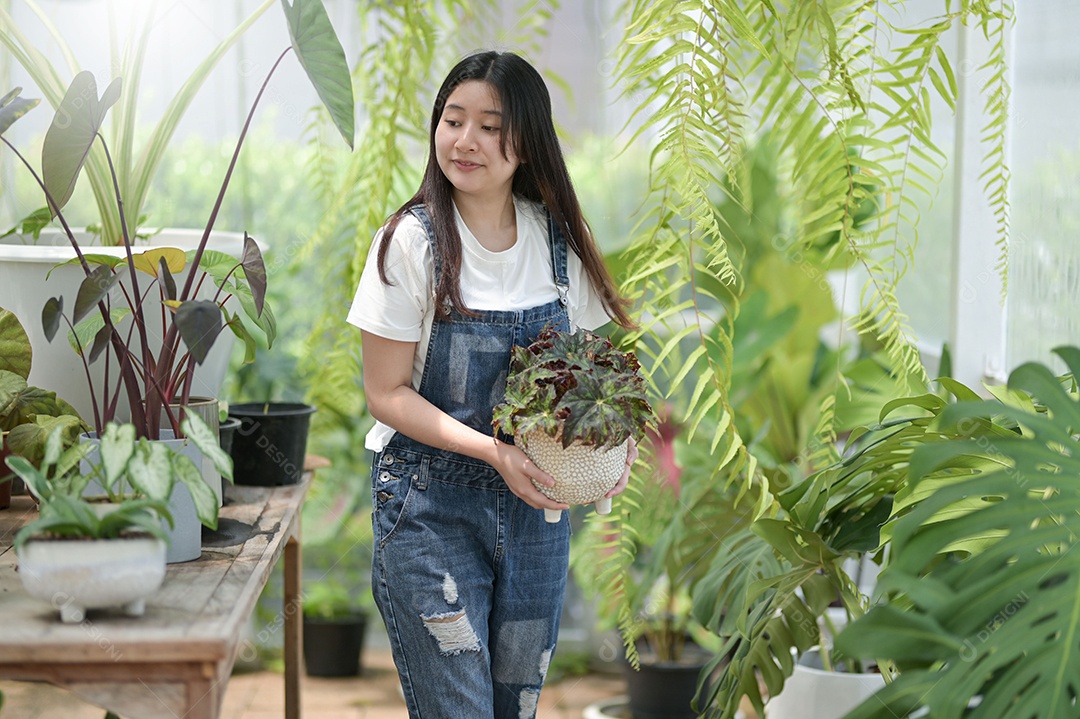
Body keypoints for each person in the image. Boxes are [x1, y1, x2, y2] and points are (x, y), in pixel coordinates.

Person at [347, 50, 638, 719]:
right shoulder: (410, 244)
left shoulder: (559, 245)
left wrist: (610, 449)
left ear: (527, 143)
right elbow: (385, 393)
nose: (464, 140)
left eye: (488, 124)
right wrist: (492, 451)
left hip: (536, 515)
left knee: (517, 707)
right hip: (428, 510)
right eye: (453, 120)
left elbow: (592, 374)